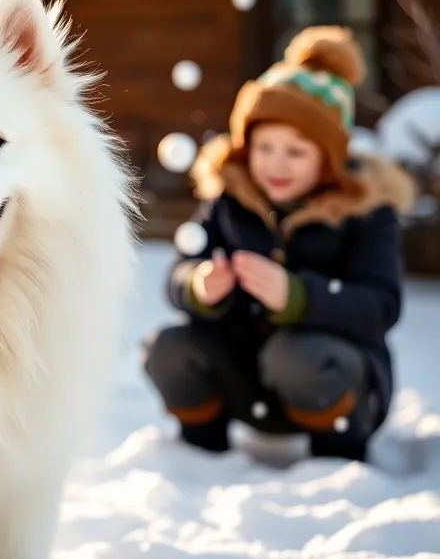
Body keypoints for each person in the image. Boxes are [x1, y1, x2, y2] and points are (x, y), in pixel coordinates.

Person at [143, 26, 416, 462]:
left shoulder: (365, 213)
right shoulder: (228, 203)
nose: (276, 164)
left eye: (296, 152)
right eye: (264, 147)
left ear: (328, 160)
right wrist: (199, 284)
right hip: (248, 383)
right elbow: (180, 270)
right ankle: (202, 456)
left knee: (295, 353)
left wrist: (300, 297)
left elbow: (381, 303)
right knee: (169, 347)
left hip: (335, 379)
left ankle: (339, 463)